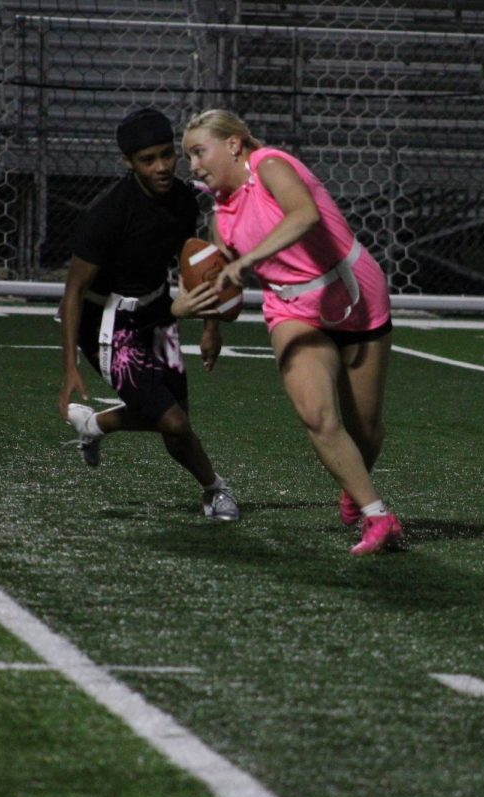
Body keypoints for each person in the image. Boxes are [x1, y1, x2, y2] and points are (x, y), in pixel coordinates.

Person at [175, 108, 401, 555]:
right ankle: (379, 516)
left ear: (234, 144)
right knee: (317, 414)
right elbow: (218, 277)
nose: (194, 166)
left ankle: (352, 487)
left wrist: (245, 261)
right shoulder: (221, 216)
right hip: (291, 308)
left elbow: (304, 216)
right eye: (189, 158)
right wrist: (211, 329)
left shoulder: (271, 165)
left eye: (199, 153)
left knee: (367, 430)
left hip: (353, 293)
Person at [58, 107, 240, 522]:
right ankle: (216, 490)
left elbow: (201, 264)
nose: (161, 167)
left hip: (158, 311)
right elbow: (73, 293)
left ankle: (96, 425)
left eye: (166, 155)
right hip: (109, 324)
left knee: (177, 420)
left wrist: (212, 326)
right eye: (147, 160)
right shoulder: (107, 214)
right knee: (172, 423)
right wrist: (70, 367)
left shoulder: (180, 199)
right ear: (129, 163)